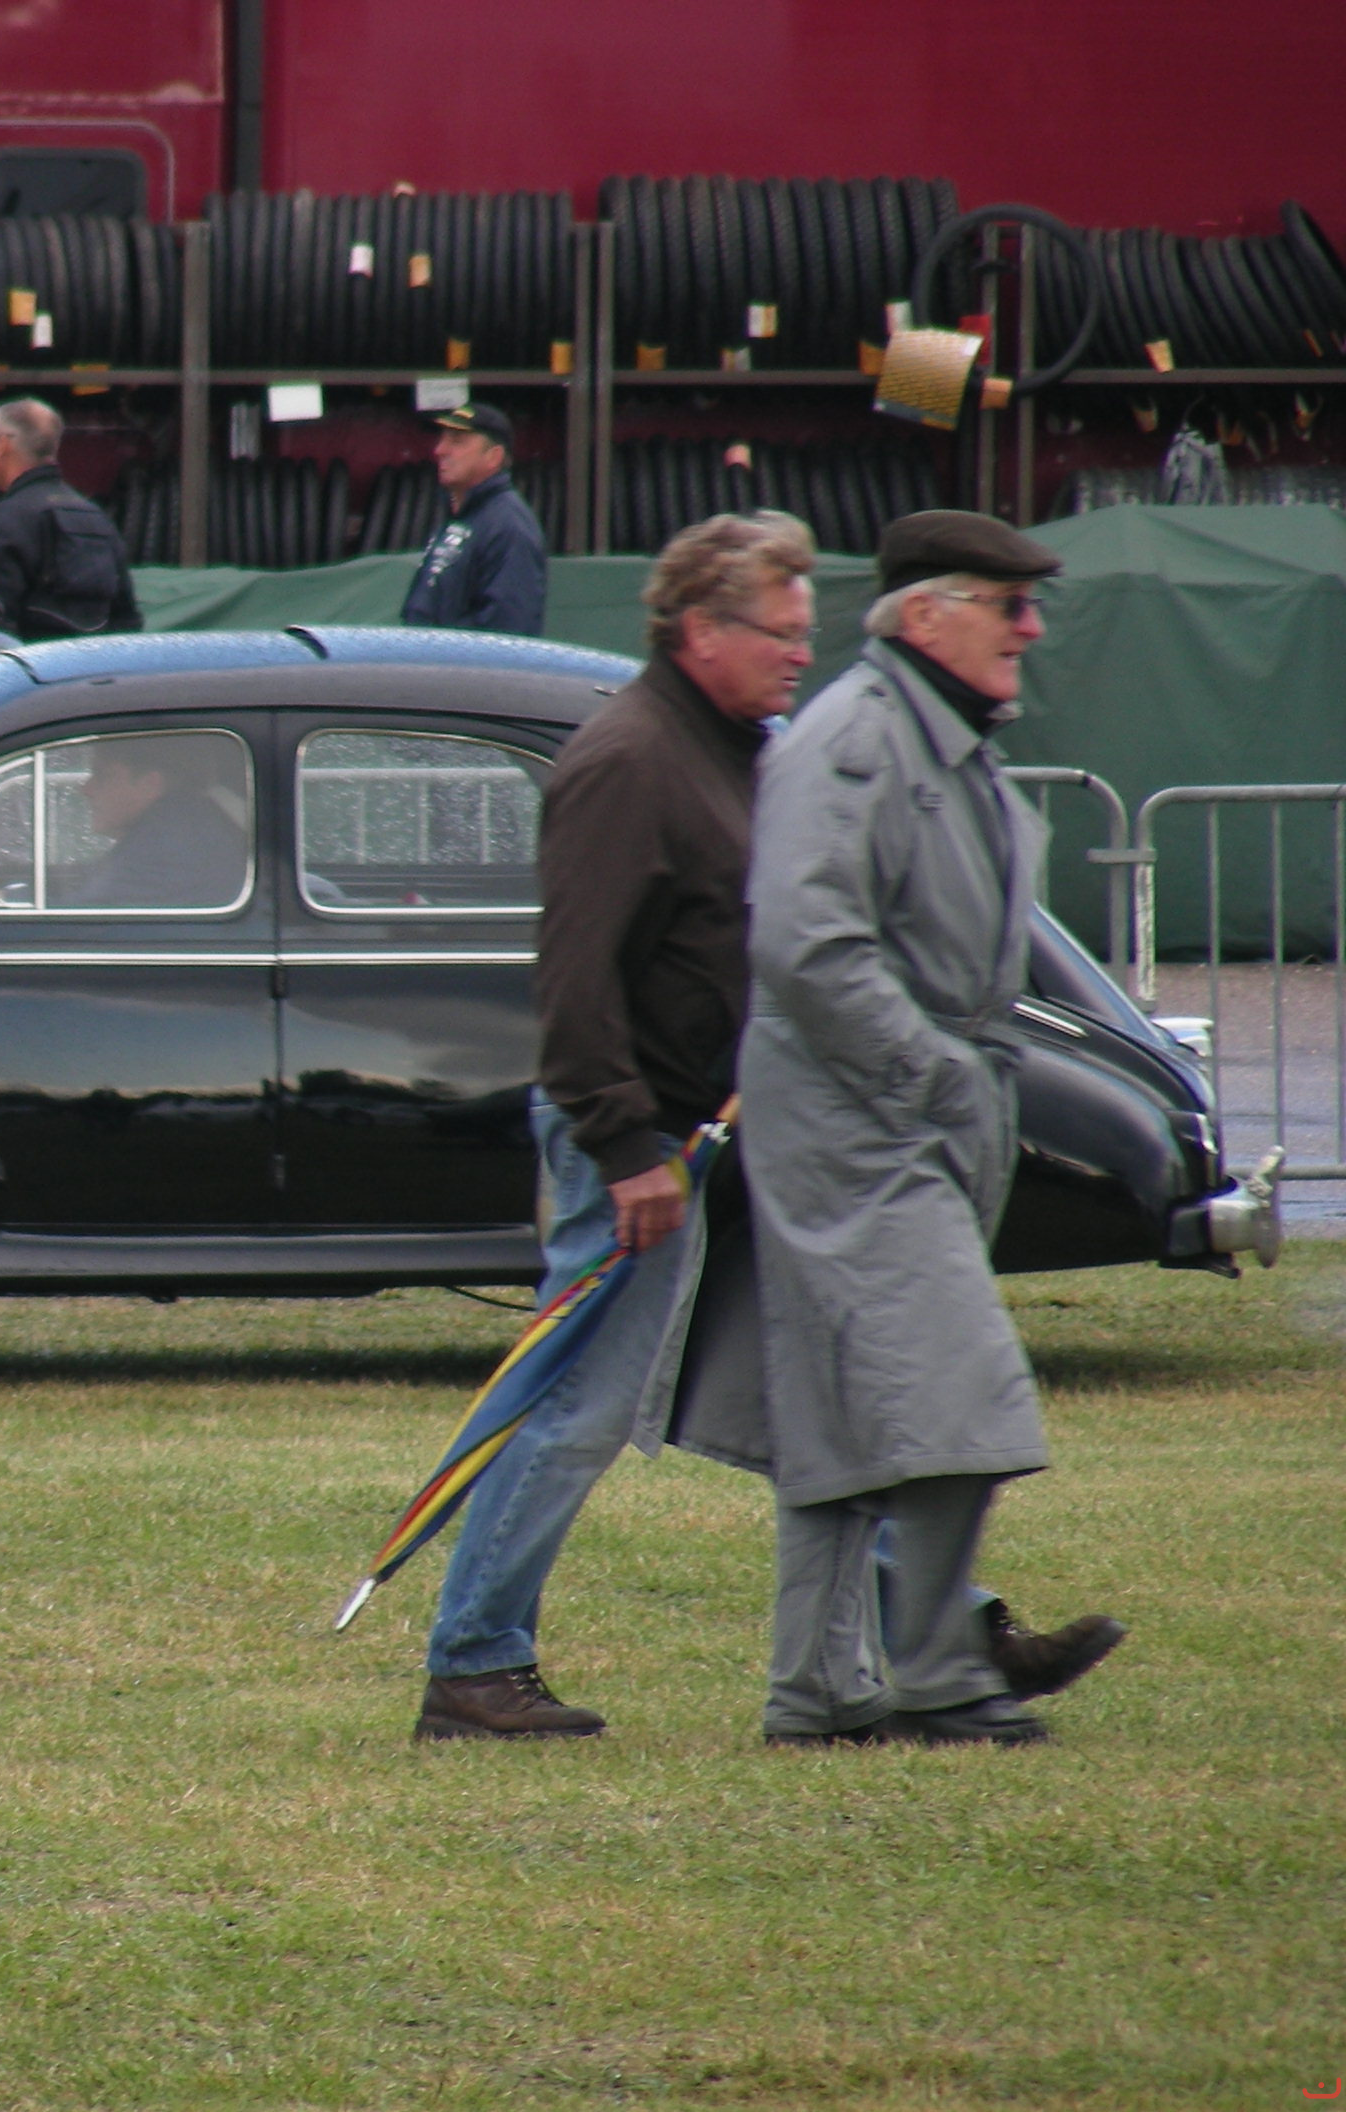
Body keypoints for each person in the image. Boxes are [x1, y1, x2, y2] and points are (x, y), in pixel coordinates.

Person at [414, 513, 1124, 1743]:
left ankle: (949, 1628)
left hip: (727, 1132)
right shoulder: (629, 760)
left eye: (806, 631)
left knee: (822, 1385)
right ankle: (473, 1664)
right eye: (777, 633)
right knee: (580, 1405)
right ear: (699, 630)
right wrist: (624, 1148)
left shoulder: (743, 749)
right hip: (637, 1143)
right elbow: (572, 982)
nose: (801, 653)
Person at [740, 511, 1095, 1745]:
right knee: (960, 1394)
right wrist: (930, 1073)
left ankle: (812, 1695)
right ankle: (940, 1673)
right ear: (928, 615)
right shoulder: (854, 740)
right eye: (1008, 605)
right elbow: (803, 940)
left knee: (843, 1421)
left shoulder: (931, 735)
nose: (1029, 630)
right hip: (858, 1122)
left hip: (894, 1114)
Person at [0, 398, 141, 643]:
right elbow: (128, 624)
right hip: (98, 666)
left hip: (31, 666)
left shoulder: (4, 524)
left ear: (2, 445)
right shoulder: (98, 521)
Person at [397, 403, 546, 636]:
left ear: (493, 457)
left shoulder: (509, 526)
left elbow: (508, 634)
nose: (440, 450)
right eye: (442, 439)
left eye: (457, 441)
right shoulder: (463, 516)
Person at [59, 735, 247, 909]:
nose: (86, 789)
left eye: (103, 776)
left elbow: (85, 917)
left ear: (150, 784)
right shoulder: (182, 827)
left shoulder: (166, 846)